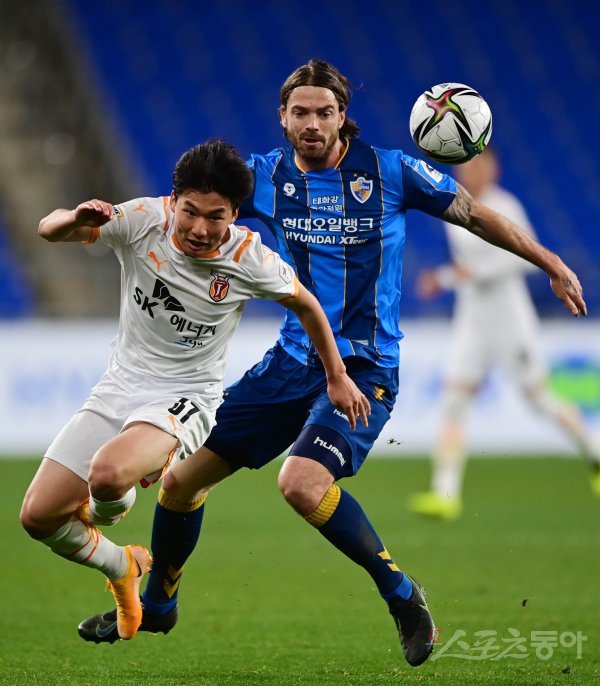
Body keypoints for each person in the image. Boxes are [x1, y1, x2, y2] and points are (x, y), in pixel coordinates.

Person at [78, 61, 586, 667]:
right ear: (283, 117)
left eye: (325, 112)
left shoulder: (392, 172)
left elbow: (476, 214)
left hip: (365, 368)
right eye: (301, 112)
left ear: (343, 116)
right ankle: (159, 604)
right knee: (181, 482)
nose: (313, 124)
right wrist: (110, 219)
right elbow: (185, 206)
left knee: (300, 483)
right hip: (291, 363)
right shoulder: (263, 177)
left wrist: (550, 263)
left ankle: (402, 595)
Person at [20, 138, 369, 642]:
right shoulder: (144, 220)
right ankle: (123, 565)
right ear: (174, 200)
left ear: (234, 215)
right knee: (37, 517)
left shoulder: (249, 258)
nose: (200, 229)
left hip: (186, 398)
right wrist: (75, 217)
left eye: (215, 216)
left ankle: (105, 506)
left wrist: (336, 375)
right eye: (190, 212)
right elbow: (48, 228)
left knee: (108, 474)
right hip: (119, 386)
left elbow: (307, 305)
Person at [407, 147, 600, 520]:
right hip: (472, 319)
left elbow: (524, 259)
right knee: (454, 399)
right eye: (464, 167)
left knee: (539, 399)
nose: (469, 173)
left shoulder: (504, 206)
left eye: (476, 166)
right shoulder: (455, 206)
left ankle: (595, 451)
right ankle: (445, 493)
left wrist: (453, 277)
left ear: (491, 169)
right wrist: (452, 277)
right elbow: (466, 267)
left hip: (509, 318)